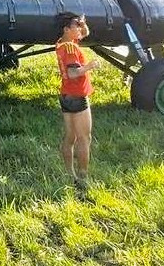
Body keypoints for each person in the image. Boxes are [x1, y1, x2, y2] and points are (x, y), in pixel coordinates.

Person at [55, 12, 100, 191]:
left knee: (70, 137)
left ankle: (69, 173)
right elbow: (73, 73)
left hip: (66, 94)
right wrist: (90, 66)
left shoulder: (62, 43)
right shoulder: (71, 49)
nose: (79, 29)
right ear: (67, 29)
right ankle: (83, 176)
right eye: (76, 26)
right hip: (77, 95)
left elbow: (84, 34)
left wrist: (83, 23)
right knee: (84, 138)